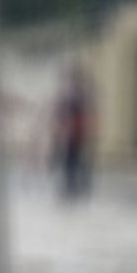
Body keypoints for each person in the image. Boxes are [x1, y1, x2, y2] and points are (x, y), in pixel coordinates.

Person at [51, 62, 95, 201]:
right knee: (70, 160)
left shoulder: (80, 95)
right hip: (70, 133)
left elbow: (82, 114)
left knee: (74, 160)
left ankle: (76, 185)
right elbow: (61, 113)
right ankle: (73, 184)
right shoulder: (71, 95)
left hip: (76, 133)